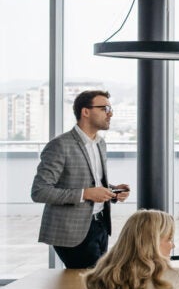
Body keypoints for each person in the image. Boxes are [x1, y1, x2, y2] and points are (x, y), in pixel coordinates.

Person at [31, 90, 131, 268]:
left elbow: (92, 182)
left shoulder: (100, 143)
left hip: (100, 225)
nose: (110, 113)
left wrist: (113, 191)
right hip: (72, 232)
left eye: (110, 108)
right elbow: (40, 191)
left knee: (97, 284)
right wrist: (86, 194)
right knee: (88, 287)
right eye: (105, 108)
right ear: (85, 112)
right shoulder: (60, 145)